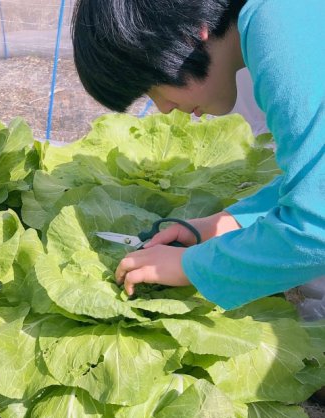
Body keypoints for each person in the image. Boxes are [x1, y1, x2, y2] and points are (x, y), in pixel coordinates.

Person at [71, 0, 325, 310]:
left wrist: (191, 266)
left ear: (188, 34)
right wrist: (224, 223)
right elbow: (314, 185)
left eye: (154, 86)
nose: (163, 108)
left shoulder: (279, 29)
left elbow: (317, 227)